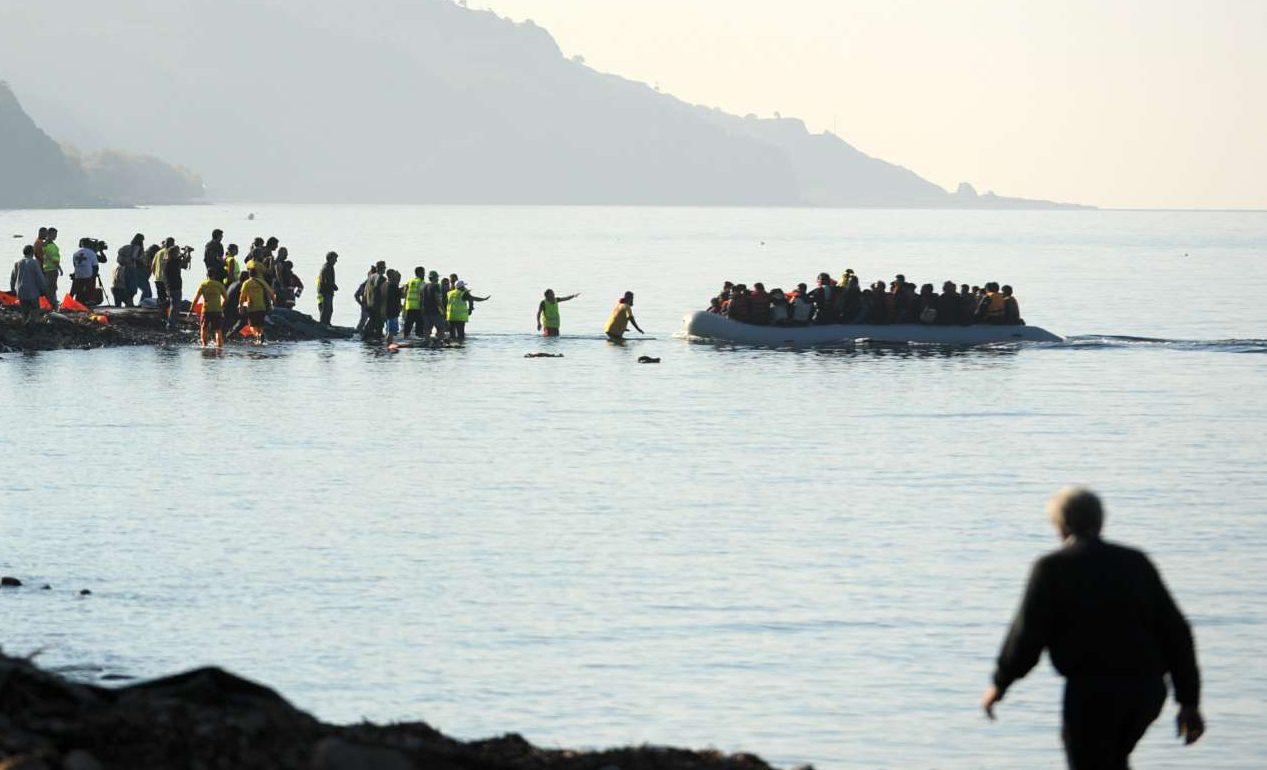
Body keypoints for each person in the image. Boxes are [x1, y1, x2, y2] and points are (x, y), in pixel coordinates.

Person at [983, 487, 1204, 770]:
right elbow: (1177, 633)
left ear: (1060, 526)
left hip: (1092, 693)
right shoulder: (1135, 562)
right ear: (1101, 521)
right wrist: (1189, 702)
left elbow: (1027, 636)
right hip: (1145, 692)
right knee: (1113, 761)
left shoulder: (1052, 568)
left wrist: (1000, 684)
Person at [190, 268, 228, 347]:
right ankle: (219, 347)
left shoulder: (203, 285)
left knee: (204, 328)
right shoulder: (219, 285)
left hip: (206, 310)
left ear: (207, 275)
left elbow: (196, 298)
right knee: (218, 330)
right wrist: (221, 307)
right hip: (217, 310)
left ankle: (204, 345)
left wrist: (191, 310)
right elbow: (226, 299)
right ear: (214, 276)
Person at [11, 245, 47, 326]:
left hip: (20, 292)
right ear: (32, 252)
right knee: (36, 310)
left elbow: (13, 278)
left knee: (25, 312)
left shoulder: (17, 263)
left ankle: (24, 326)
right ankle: (34, 326)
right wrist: (44, 290)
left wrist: (13, 289)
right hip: (32, 292)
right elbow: (39, 277)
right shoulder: (33, 262)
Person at [238, 268, 276, 345]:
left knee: (252, 325)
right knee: (260, 326)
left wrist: (241, 307)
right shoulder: (262, 282)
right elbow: (271, 293)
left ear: (249, 274)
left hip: (251, 308)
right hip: (262, 307)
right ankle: (260, 338)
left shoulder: (246, 283)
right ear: (257, 274)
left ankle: (258, 336)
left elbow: (242, 297)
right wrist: (273, 303)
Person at [163, 241, 187, 330]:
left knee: (174, 305)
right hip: (175, 287)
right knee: (175, 306)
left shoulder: (167, 261)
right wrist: (186, 253)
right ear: (173, 253)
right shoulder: (174, 261)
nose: (178, 254)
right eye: (177, 252)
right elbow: (184, 263)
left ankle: (171, 324)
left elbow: (183, 264)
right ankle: (171, 325)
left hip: (170, 286)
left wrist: (185, 254)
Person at [361, 262, 387, 342]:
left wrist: (365, 302)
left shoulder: (370, 277)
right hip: (376, 304)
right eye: (384, 267)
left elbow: (365, 291)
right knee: (378, 322)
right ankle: (375, 337)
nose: (385, 269)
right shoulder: (381, 278)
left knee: (372, 320)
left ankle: (367, 336)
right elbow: (377, 290)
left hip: (369, 303)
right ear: (381, 268)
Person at [70, 238, 100, 304]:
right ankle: (89, 303)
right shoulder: (92, 253)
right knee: (89, 293)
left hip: (78, 275)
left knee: (79, 293)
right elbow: (95, 266)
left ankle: (77, 304)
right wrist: (94, 276)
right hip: (88, 276)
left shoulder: (75, 253)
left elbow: (75, 265)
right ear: (89, 244)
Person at [420, 270, 446, 340]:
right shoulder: (436, 286)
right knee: (441, 328)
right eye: (437, 277)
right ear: (434, 278)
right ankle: (440, 341)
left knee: (427, 329)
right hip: (435, 311)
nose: (438, 279)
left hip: (425, 311)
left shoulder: (424, 286)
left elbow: (421, 298)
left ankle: (427, 341)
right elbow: (437, 299)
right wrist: (443, 310)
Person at [402, 267, 426, 338]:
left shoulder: (410, 281)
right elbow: (422, 295)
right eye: (423, 273)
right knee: (419, 324)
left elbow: (404, 293)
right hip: (418, 306)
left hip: (409, 306)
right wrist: (423, 307)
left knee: (408, 323)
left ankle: (405, 336)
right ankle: (419, 337)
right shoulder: (421, 282)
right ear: (420, 273)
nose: (424, 274)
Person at [316, 251, 338, 326]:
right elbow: (327, 281)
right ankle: (324, 325)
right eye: (335, 259)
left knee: (327, 310)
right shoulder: (327, 267)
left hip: (324, 292)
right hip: (325, 293)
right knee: (326, 309)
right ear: (330, 259)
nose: (336, 261)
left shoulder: (328, 267)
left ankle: (326, 324)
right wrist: (334, 286)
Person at [41, 227, 62, 304]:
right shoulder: (50, 245)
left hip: (46, 268)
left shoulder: (44, 244)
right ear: (50, 234)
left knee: (50, 287)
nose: (56, 236)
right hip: (52, 268)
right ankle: (52, 303)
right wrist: (60, 268)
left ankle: (52, 302)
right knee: (52, 287)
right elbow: (53, 258)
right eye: (55, 234)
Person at [383, 268, 402, 344]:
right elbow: (400, 295)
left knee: (390, 329)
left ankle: (389, 342)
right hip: (392, 311)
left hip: (388, 310)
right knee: (391, 331)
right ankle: (389, 343)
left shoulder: (386, 284)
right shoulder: (393, 286)